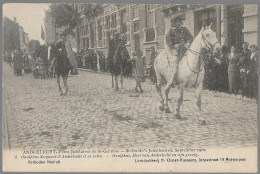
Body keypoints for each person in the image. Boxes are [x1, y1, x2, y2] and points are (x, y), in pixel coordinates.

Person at [165, 16, 193, 85]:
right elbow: (168, 41)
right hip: (175, 50)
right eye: (176, 22)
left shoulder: (184, 29)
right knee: (174, 61)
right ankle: (173, 78)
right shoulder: (170, 31)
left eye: (179, 22)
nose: (178, 24)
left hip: (185, 48)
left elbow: (190, 37)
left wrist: (188, 42)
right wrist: (174, 46)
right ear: (173, 23)